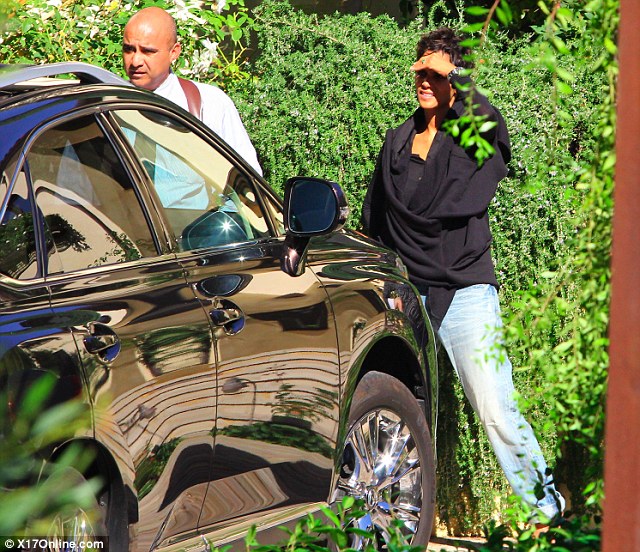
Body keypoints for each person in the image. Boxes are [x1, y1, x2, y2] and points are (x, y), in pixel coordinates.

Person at [361, 27, 565, 527]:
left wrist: (455, 75)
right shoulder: (397, 141)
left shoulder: (472, 137)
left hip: (464, 290)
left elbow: (492, 126)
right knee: (393, 408)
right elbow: (375, 221)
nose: (425, 81)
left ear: (455, 80)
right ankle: (388, 517)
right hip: (408, 294)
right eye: (420, 71)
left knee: (495, 408)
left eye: (436, 74)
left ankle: (547, 510)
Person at [122, 6, 262, 176]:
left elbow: (248, 177)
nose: (135, 61)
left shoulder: (210, 104)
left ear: (174, 52)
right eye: (129, 49)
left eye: (147, 51)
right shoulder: (107, 104)